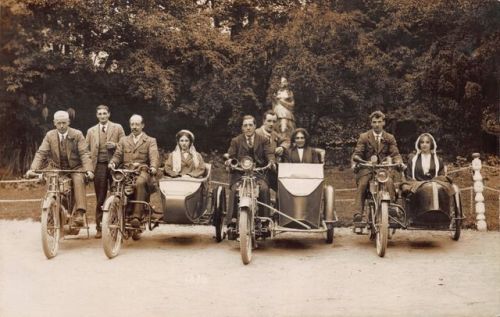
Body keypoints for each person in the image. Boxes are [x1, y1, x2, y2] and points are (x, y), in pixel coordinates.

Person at [26, 110, 94, 226]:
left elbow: (84, 153)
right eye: (59, 123)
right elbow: (41, 153)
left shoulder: (77, 134)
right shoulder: (50, 135)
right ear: (54, 123)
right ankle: (49, 211)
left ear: (68, 122)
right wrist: (33, 169)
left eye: (64, 122)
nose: (61, 126)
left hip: (75, 168)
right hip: (57, 168)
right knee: (51, 181)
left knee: (78, 179)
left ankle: (80, 213)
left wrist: (88, 170)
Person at [109, 114, 159, 228]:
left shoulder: (150, 141)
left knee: (139, 183)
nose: (134, 127)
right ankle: (112, 212)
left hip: (143, 170)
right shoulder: (123, 140)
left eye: (137, 124)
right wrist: (112, 163)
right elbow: (117, 155)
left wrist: (153, 167)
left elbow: (154, 156)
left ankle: (136, 216)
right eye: (132, 124)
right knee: (115, 183)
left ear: (142, 125)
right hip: (126, 171)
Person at [351, 110, 402, 222]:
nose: (377, 124)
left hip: (383, 170)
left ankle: (392, 208)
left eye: (379, 122)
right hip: (367, 169)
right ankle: (358, 213)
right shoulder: (364, 137)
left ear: (384, 123)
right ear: (371, 123)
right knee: (363, 184)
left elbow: (395, 153)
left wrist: (398, 162)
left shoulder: (389, 137)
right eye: (374, 122)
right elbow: (357, 153)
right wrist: (361, 161)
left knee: (389, 183)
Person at [225, 115, 275, 224]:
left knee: (264, 189)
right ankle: (231, 221)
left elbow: (269, 153)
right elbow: (231, 155)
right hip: (240, 173)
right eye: (245, 125)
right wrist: (229, 161)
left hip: (258, 173)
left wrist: (271, 161)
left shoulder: (263, 140)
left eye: (250, 125)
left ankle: (264, 221)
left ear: (255, 126)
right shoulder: (236, 141)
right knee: (235, 190)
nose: (248, 128)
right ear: (242, 128)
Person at [85, 105, 125, 238]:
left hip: (115, 166)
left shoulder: (117, 128)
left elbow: (126, 145)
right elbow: (85, 151)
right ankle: (99, 227)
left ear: (109, 114)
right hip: (99, 166)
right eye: (100, 114)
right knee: (100, 197)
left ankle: (116, 224)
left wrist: (115, 146)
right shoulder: (91, 131)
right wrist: (89, 167)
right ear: (97, 116)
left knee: (117, 195)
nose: (102, 116)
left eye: (104, 113)